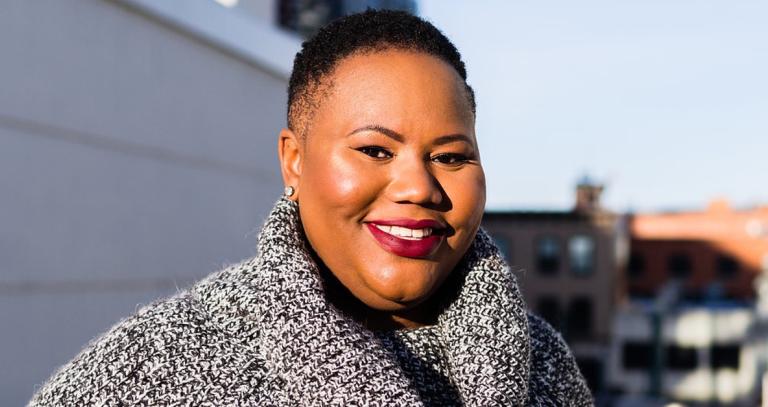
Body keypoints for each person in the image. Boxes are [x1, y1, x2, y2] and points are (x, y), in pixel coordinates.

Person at [29, 10, 592, 406]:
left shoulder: (542, 362)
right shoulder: (148, 371)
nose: (419, 187)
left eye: (450, 155)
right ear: (293, 161)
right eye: (375, 149)